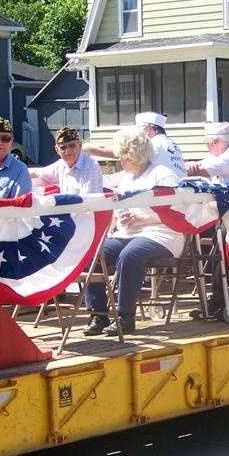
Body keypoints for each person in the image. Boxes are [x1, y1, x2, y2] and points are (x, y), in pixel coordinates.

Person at [83, 127, 182, 336]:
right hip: (128, 233)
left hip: (161, 232)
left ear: (134, 155)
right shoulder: (126, 177)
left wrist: (144, 218)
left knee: (130, 256)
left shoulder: (162, 174)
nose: (120, 160)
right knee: (93, 253)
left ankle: (125, 316)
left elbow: (178, 210)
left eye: (124, 156)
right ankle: (98, 314)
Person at [85, 112, 187, 178]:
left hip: (164, 196)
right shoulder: (170, 143)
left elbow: (123, 150)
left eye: (138, 129)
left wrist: (89, 149)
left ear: (147, 130)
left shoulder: (153, 144)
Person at [30, 127, 102, 195]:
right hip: (68, 207)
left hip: (86, 207)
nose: (68, 151)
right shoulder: (61, 165)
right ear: (57, 150)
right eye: (63, 147)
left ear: (79, 146)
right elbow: (38, 173)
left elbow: (89, 201)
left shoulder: (91, 167)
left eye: (72, 145)